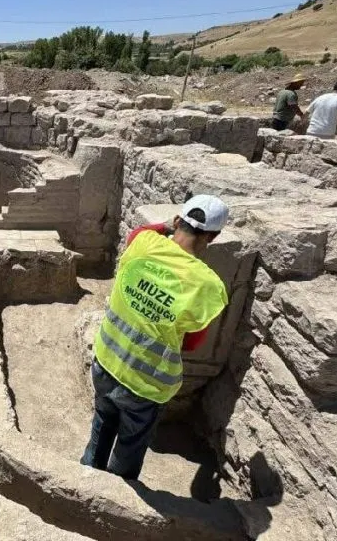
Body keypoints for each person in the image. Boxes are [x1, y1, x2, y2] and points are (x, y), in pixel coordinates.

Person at [81, 195, 230, 481]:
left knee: (103, 421)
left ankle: (88, 475)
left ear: (178, 221)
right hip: (145, 384)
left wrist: (165, 226)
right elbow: (191, 343)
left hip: (107, 359)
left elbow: (140, 231)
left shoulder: (142, 242)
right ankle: (117, 491)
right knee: (130, 444)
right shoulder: (207, 285)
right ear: (213, 236)